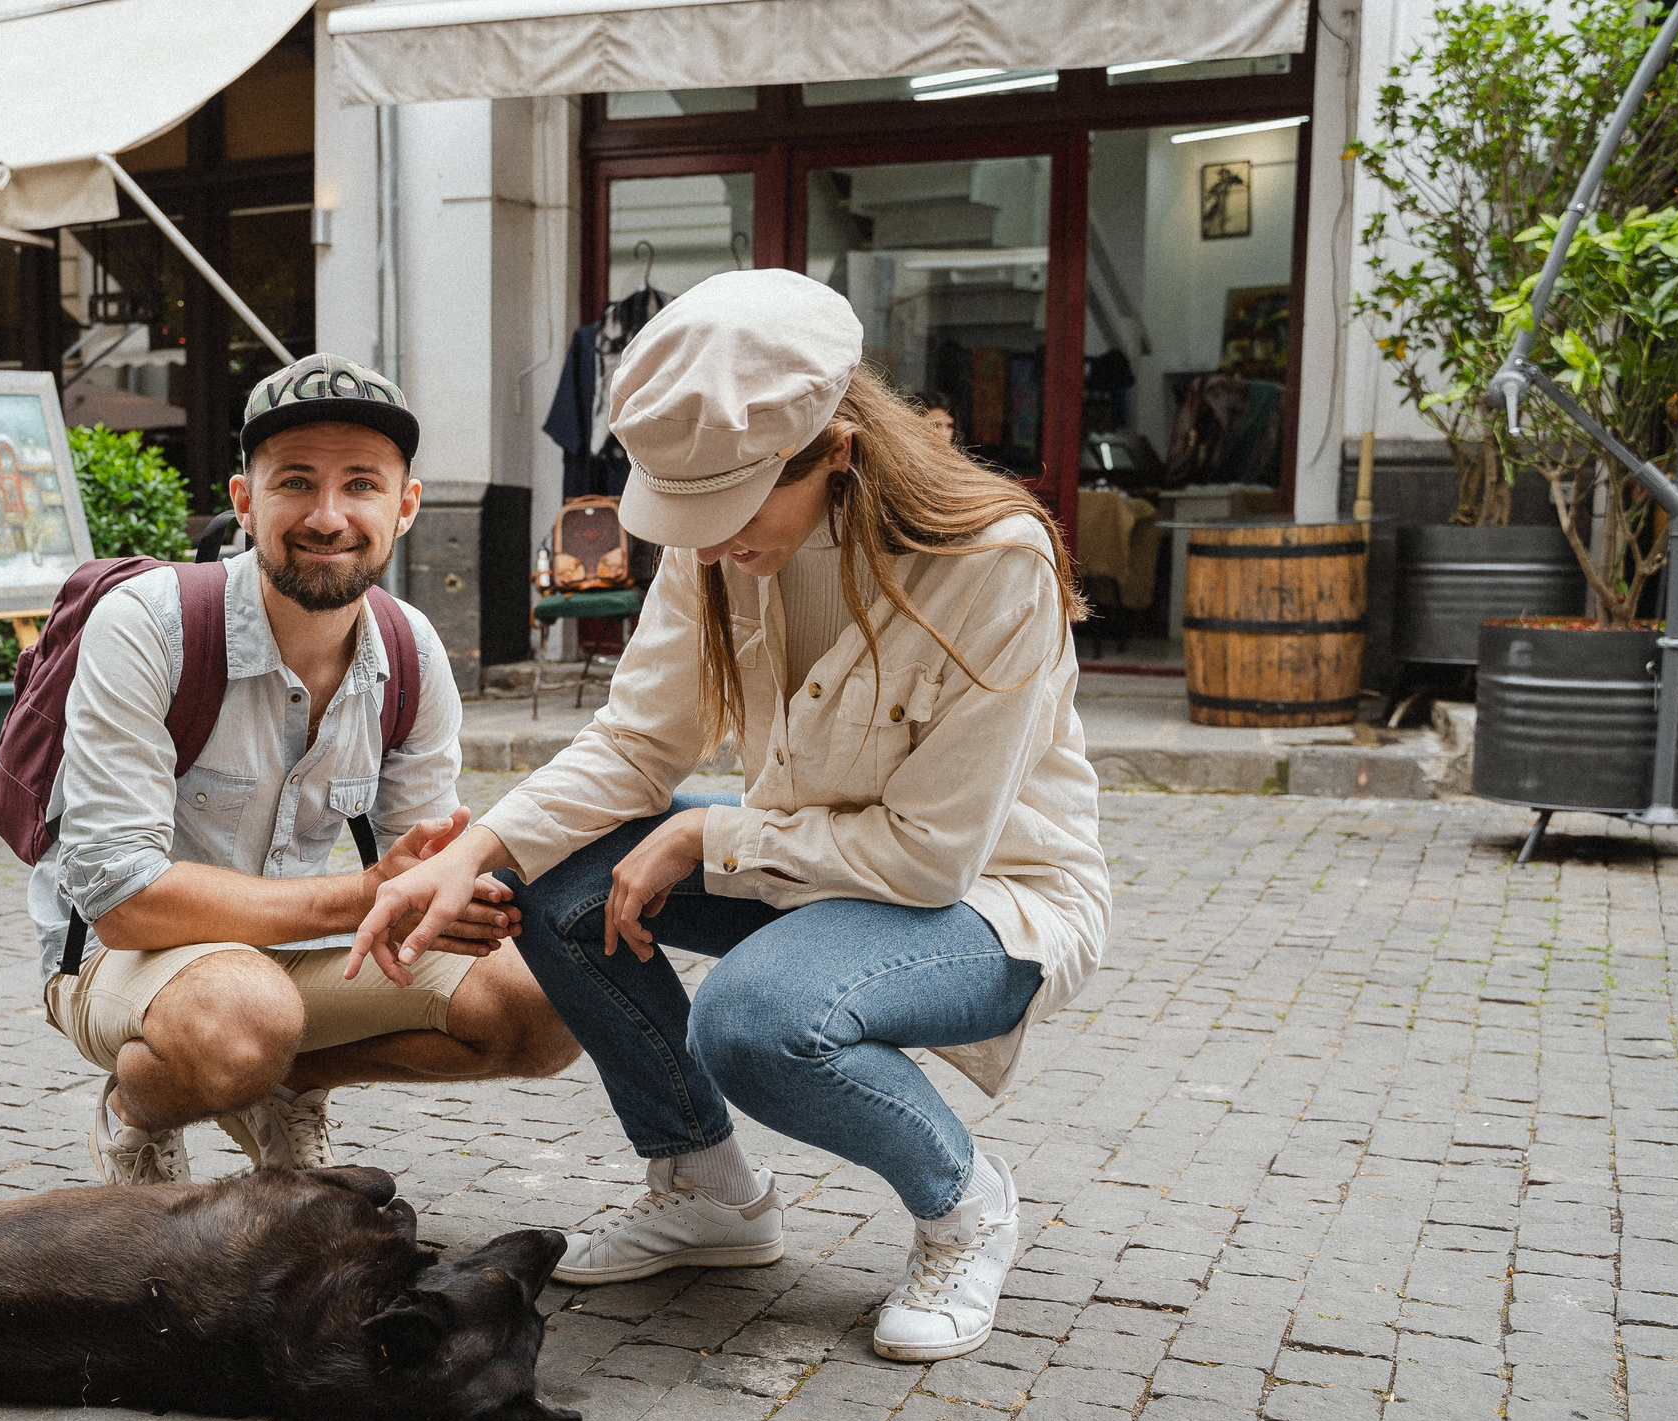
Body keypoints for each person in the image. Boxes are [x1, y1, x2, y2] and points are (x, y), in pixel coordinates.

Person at [348, 272, 1108, 1363]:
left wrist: (705, 836)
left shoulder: (989, 564)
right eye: (687, 516)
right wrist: (468, 853)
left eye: (737, 514)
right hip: (815, 868)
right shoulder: (716, 545)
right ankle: (711, 1194)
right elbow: (634, 742)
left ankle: (964, 1204)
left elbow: (930, 857)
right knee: (552, 883)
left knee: (754, 1021)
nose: (706, 545)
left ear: (836, 451)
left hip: (988, 901)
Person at [35, 354, 580, 1185]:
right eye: (296, 482)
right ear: (245, 501)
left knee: (545, 1002)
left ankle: (286, 1084)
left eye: (361, 484)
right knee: (245, 1013)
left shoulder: (411, 651)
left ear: (405, 508)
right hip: (120, 963)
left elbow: (418, 865)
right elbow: (121, 900)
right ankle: (133, 1114)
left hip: (288, 960)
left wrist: (485, 898)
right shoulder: (149, 625)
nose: (329, 516)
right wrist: (367, 895)